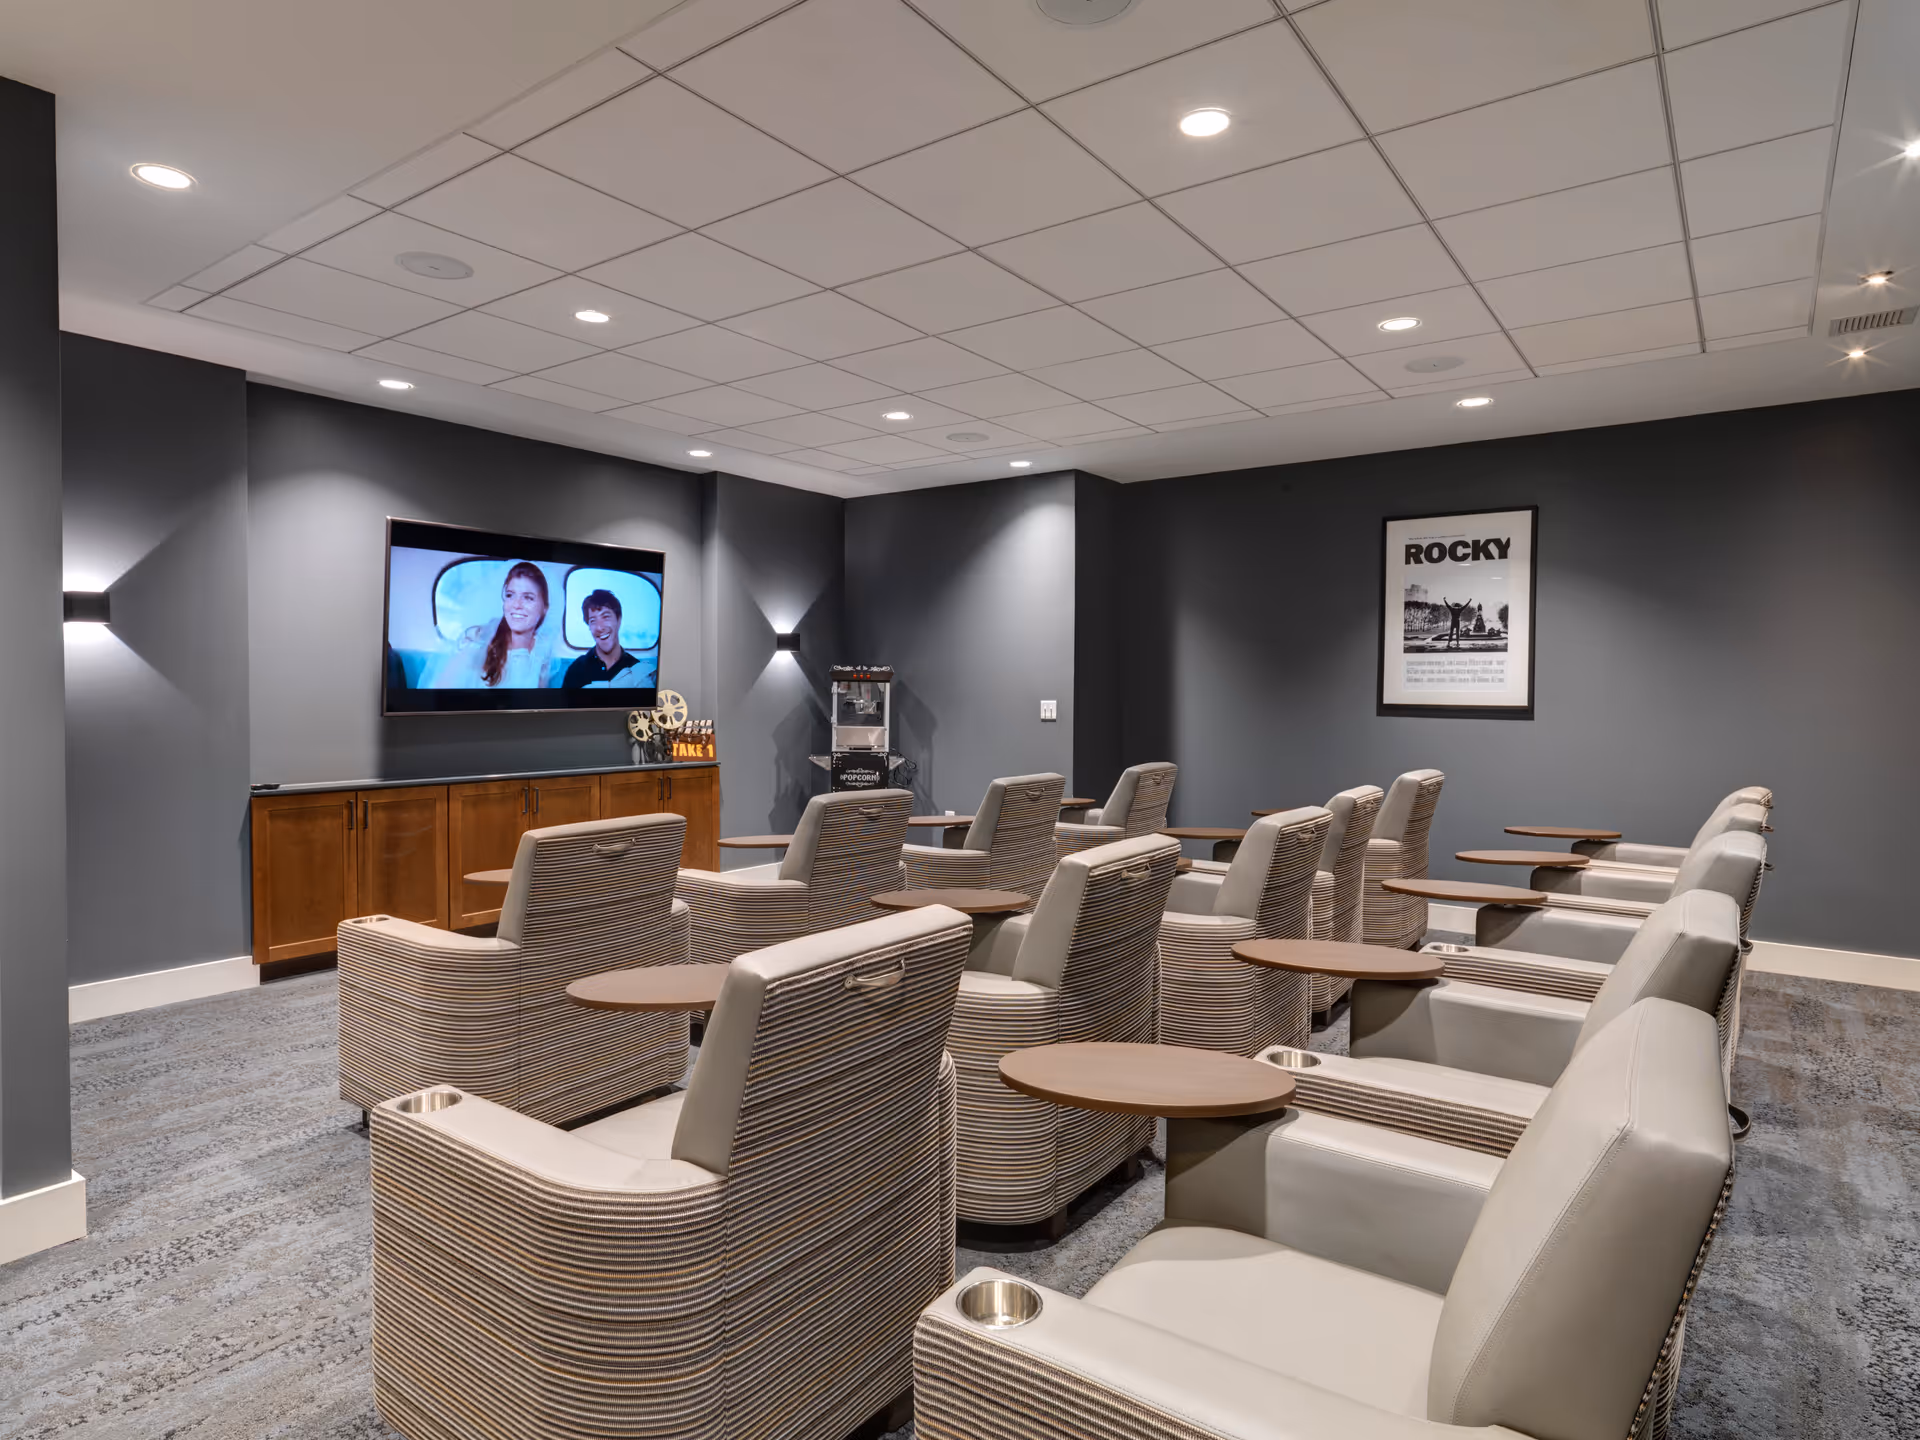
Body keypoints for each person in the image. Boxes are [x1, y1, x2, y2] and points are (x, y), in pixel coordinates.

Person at [427, 561, 555, 688]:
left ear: (545, 608)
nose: (516, 605)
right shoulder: (477, 640)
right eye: (510, 595)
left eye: (528, 598)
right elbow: (442, 693)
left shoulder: (543, 648)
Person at [562, 588, 640, 688]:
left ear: (618, 620)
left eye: (606, 617)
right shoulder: (576, 670)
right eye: (593, 621)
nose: (599, 627)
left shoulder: (637, 670)